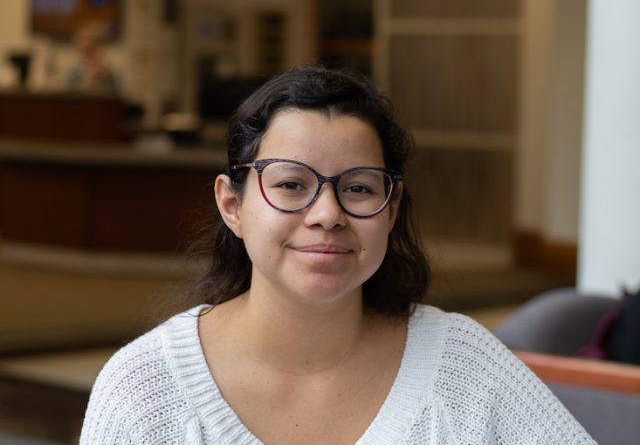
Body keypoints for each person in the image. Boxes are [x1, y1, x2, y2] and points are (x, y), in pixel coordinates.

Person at [79, 67, 595, 444]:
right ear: (231, 205)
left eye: (359, 188)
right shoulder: (145, 390)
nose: (327, 213)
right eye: (290, 183)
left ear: (391, 211)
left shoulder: (464, 369)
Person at [67, 21, 119, 93]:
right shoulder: (75, 72)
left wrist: (106, 77)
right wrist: (87, 82)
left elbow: (118, 93)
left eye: (83, 39)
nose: (78, 44)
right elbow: (71, 95)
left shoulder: (109, 69)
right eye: (79, 40)